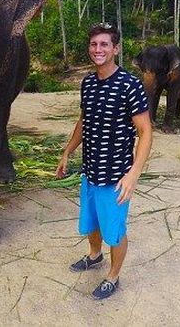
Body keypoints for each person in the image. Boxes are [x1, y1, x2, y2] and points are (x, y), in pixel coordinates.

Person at [56, 22, 152, 300]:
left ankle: (113, 277)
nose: (98, 50)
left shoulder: (130, 85)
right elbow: (84, 121)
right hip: (90, 172)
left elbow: (146, 132)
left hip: (116, 177)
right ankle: (95, 255)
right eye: (94, 44)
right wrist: (67, 151)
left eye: (104, 45)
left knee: (115, 231)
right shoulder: (87, 83)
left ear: (116, 49)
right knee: (93, 222)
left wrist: (133, 174)